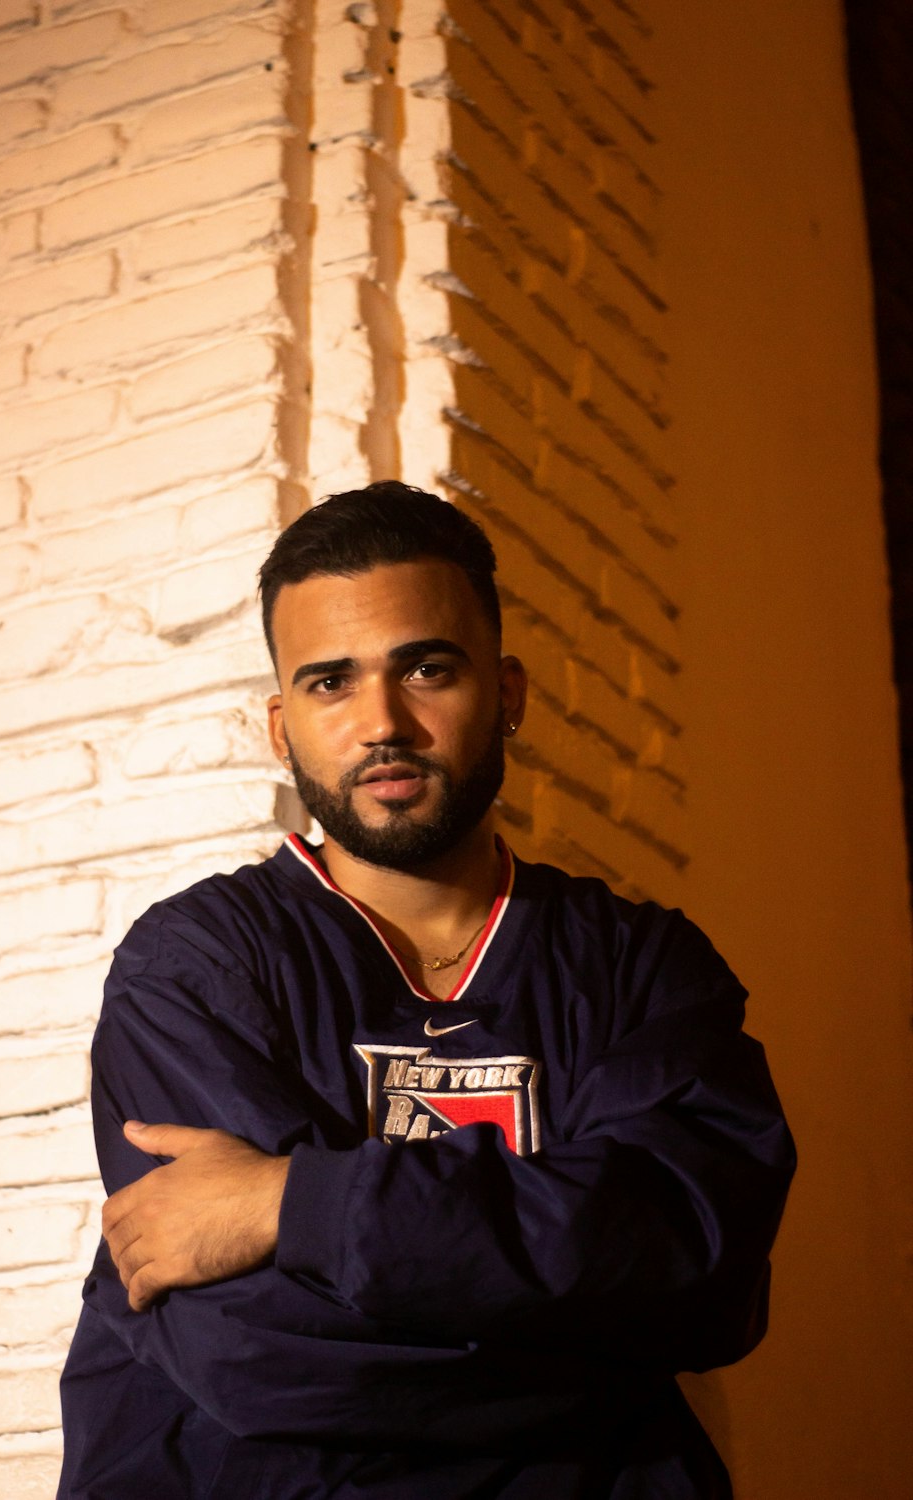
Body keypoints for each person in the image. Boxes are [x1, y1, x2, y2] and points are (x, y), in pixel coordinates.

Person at [57, 482, 795, 1499]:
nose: (382, 723)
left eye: (427, 669)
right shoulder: (194, 966)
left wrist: (295, 1203)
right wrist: (598, 1354)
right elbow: (252, 1352)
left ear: (510, 693)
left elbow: (702, 1283)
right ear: (280, 728)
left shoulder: (641, 968)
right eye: (330, 684)